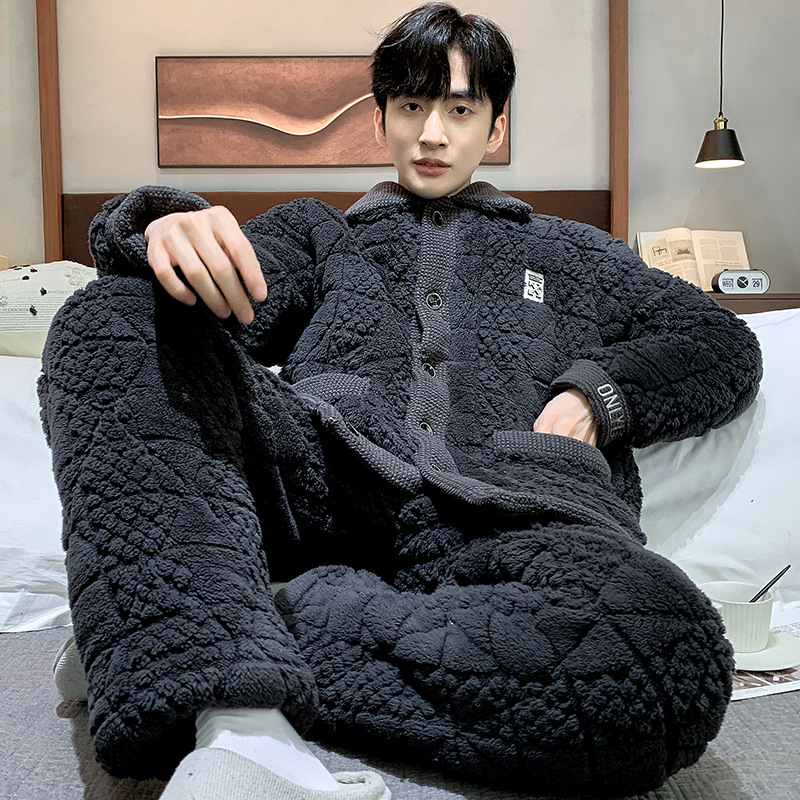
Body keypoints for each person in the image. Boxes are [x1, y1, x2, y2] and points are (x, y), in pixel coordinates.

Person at [40, 3, 762, 799]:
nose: (432, 134)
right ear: (380, 118)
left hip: (523, 520)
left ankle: (193, 621)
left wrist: (597, 396)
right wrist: (159, 231)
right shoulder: (318, 235)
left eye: (460, 110)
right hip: (324, 493)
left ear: (495, 126)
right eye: (413, 106)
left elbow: (717, 340)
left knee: (668, 657)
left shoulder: (575, 253)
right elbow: (213, 306)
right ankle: (244, 725)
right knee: (111, 317)